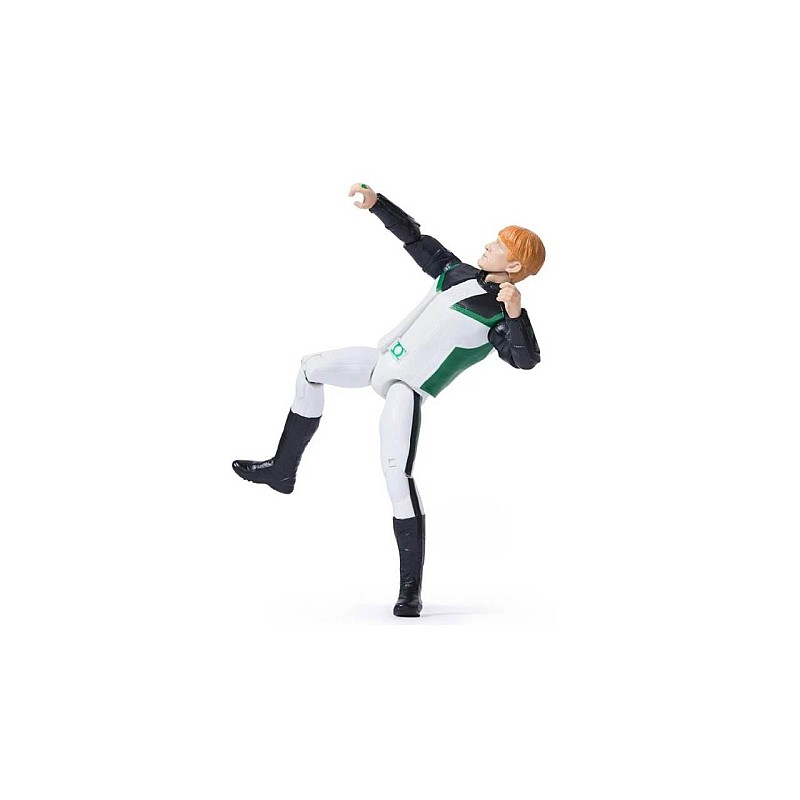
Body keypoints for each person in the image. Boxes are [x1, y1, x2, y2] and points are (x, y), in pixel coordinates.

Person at [232, 183, 545, 617]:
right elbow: (415, 238)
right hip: (382, 360)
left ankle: (410, 589)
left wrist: (515, 315)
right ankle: (283, 469)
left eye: (498, 246)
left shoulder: (499, 314)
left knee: (398, 477)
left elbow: (525, 360)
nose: (488, 246)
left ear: (513, 265)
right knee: (310, 368)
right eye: (493, 240)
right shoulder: (455, 272)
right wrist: (378, 204)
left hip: (407, 388)